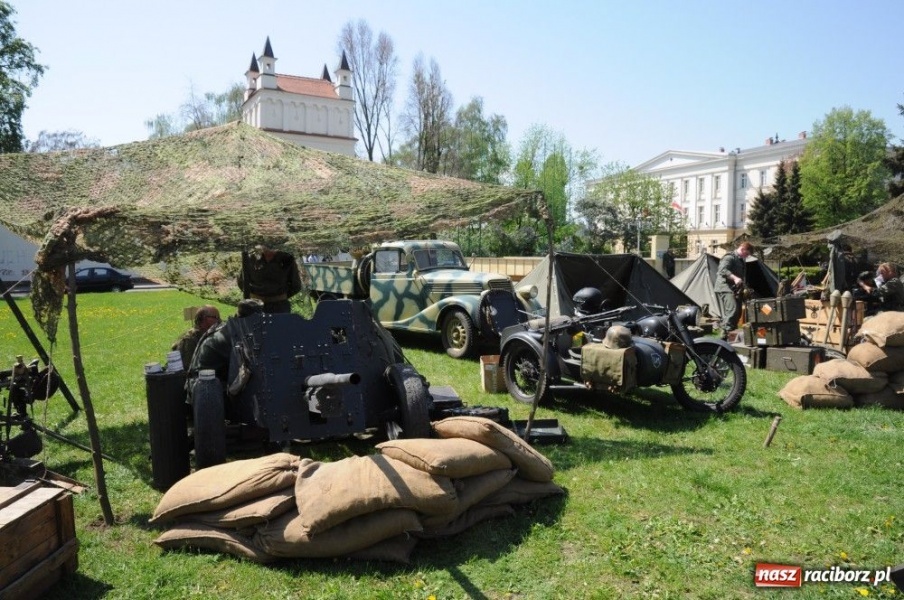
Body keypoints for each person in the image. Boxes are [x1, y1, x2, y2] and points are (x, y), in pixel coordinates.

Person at [237, 246, 302, 313]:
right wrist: (255, 296)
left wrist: (279, 297)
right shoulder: (252, 258)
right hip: (255, 307)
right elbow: (242, 282)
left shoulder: (287, 259)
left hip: (280, 308)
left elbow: (296, 285)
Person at [714, 241, 753, 339]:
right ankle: (723, 336)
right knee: (732, 310)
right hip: (725, 287)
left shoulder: (741, 260)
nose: (747, 256)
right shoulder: (729, 257)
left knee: (738, 312)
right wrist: (735, 278)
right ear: (743, 249)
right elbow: (722, 270)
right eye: (747, 254)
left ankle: (730, 333)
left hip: (734, 289)